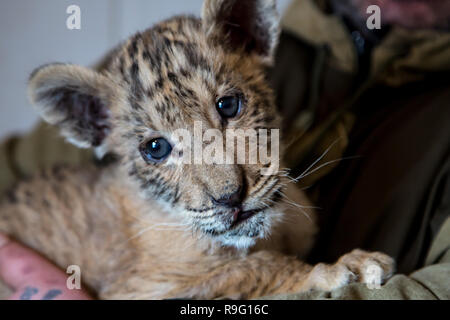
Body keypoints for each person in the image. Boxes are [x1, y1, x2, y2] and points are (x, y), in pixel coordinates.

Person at [0, 0, 449, 299]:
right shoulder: (129, 80)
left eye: (228, 107)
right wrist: (285, 276)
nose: (225, 186)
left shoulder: (220, 41)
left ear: (251, 33)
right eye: (157, 148)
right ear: (93, 124)